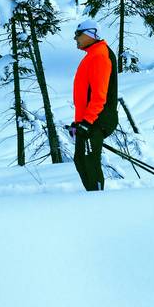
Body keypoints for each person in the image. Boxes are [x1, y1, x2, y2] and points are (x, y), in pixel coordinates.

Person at [68, 19, 118, 191]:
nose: (76, 38)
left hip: (97, 120)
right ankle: (92, 197)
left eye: (78, 34)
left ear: (91, 34)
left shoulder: (99, 56)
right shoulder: (92, 55)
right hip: (89, 120)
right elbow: (85, 95)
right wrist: (78, 122)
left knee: (90, 161)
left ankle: (97, 201)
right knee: (80, 159)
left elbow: (99, 96)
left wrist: (87, 122)